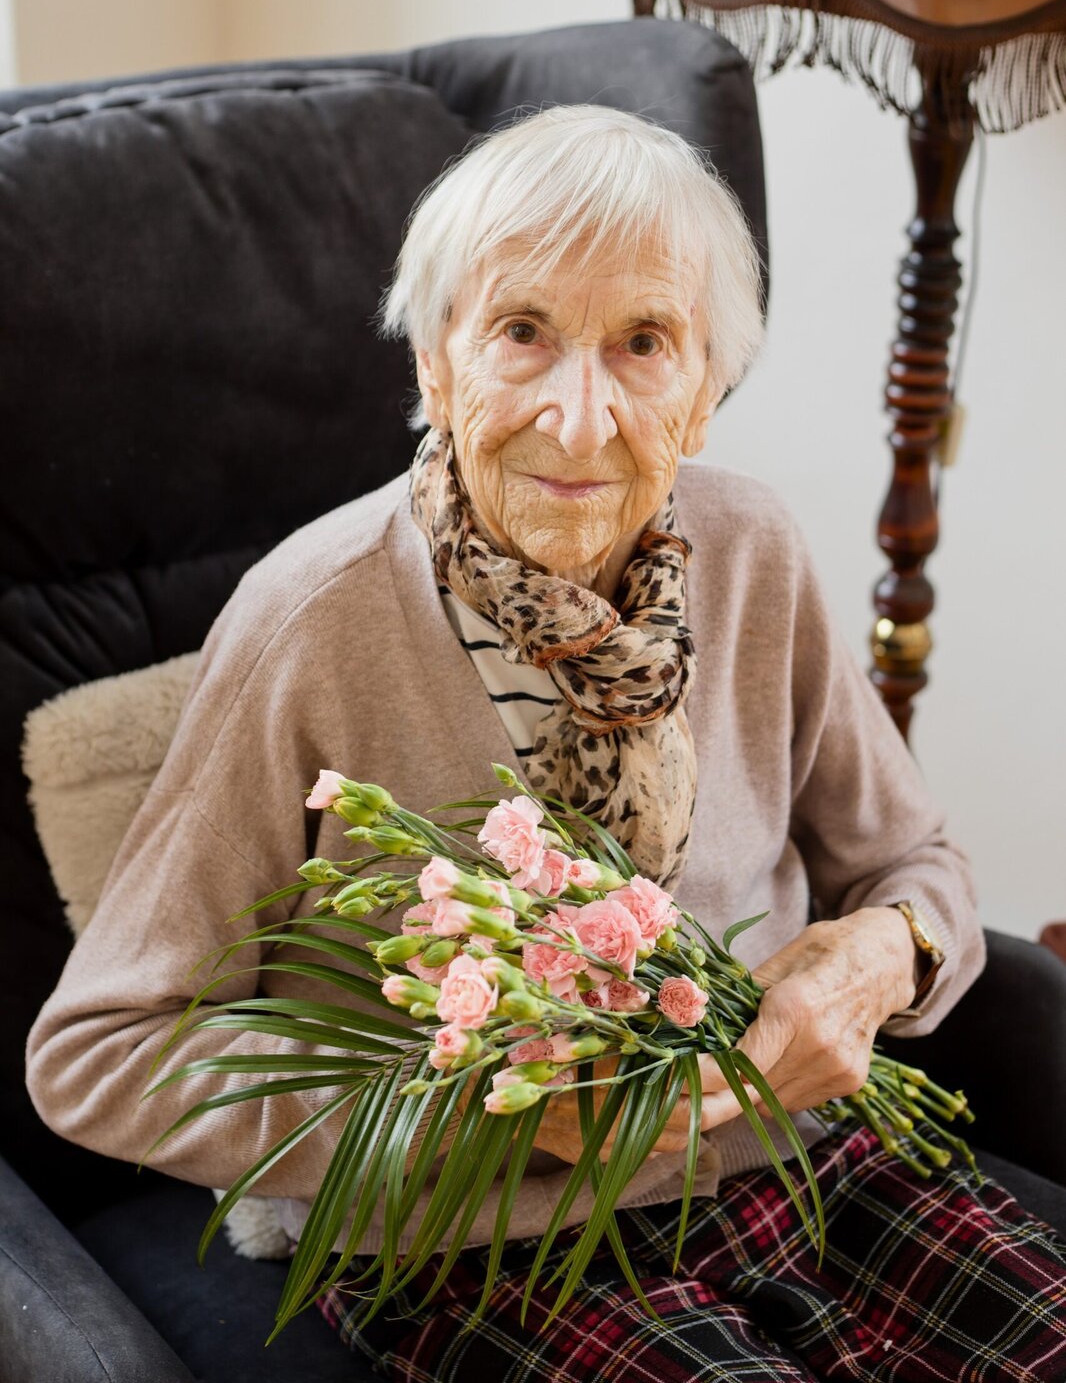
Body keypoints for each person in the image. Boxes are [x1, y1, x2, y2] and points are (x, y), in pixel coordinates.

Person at [27, 107, 1066, 1380]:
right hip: (480, 1236)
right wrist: (480, 1113)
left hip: (802, 1155)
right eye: (522, 332)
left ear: (703, 393)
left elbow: (916, 863)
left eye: (643, 343)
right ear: (435, 365)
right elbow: (99, 1050)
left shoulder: (753, 552)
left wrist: (879, 959)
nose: (580, 421)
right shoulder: (311, 618)